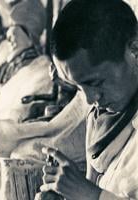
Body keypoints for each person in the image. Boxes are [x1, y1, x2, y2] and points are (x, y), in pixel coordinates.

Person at [37, 0, 138, 199]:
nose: (91, 99)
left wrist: (88, 194)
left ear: (134, 50)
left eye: (97, 82)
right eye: (78, 87)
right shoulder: (102, 118)